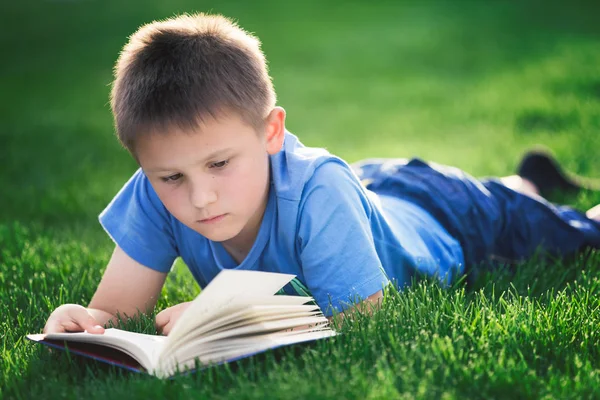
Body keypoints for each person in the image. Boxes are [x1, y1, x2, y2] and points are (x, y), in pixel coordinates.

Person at [43, 13, 600, 335]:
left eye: (218, 164)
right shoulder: (155, 192)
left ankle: (524, 193)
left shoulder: (317, 190)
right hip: (370, 192)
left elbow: (362, 315)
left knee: (580, 238)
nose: (199, 198)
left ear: (270, 132)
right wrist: (85, 319)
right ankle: (527, 179)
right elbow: (118, 310)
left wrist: (229, 311)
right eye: (170, 178)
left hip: (448, 215)